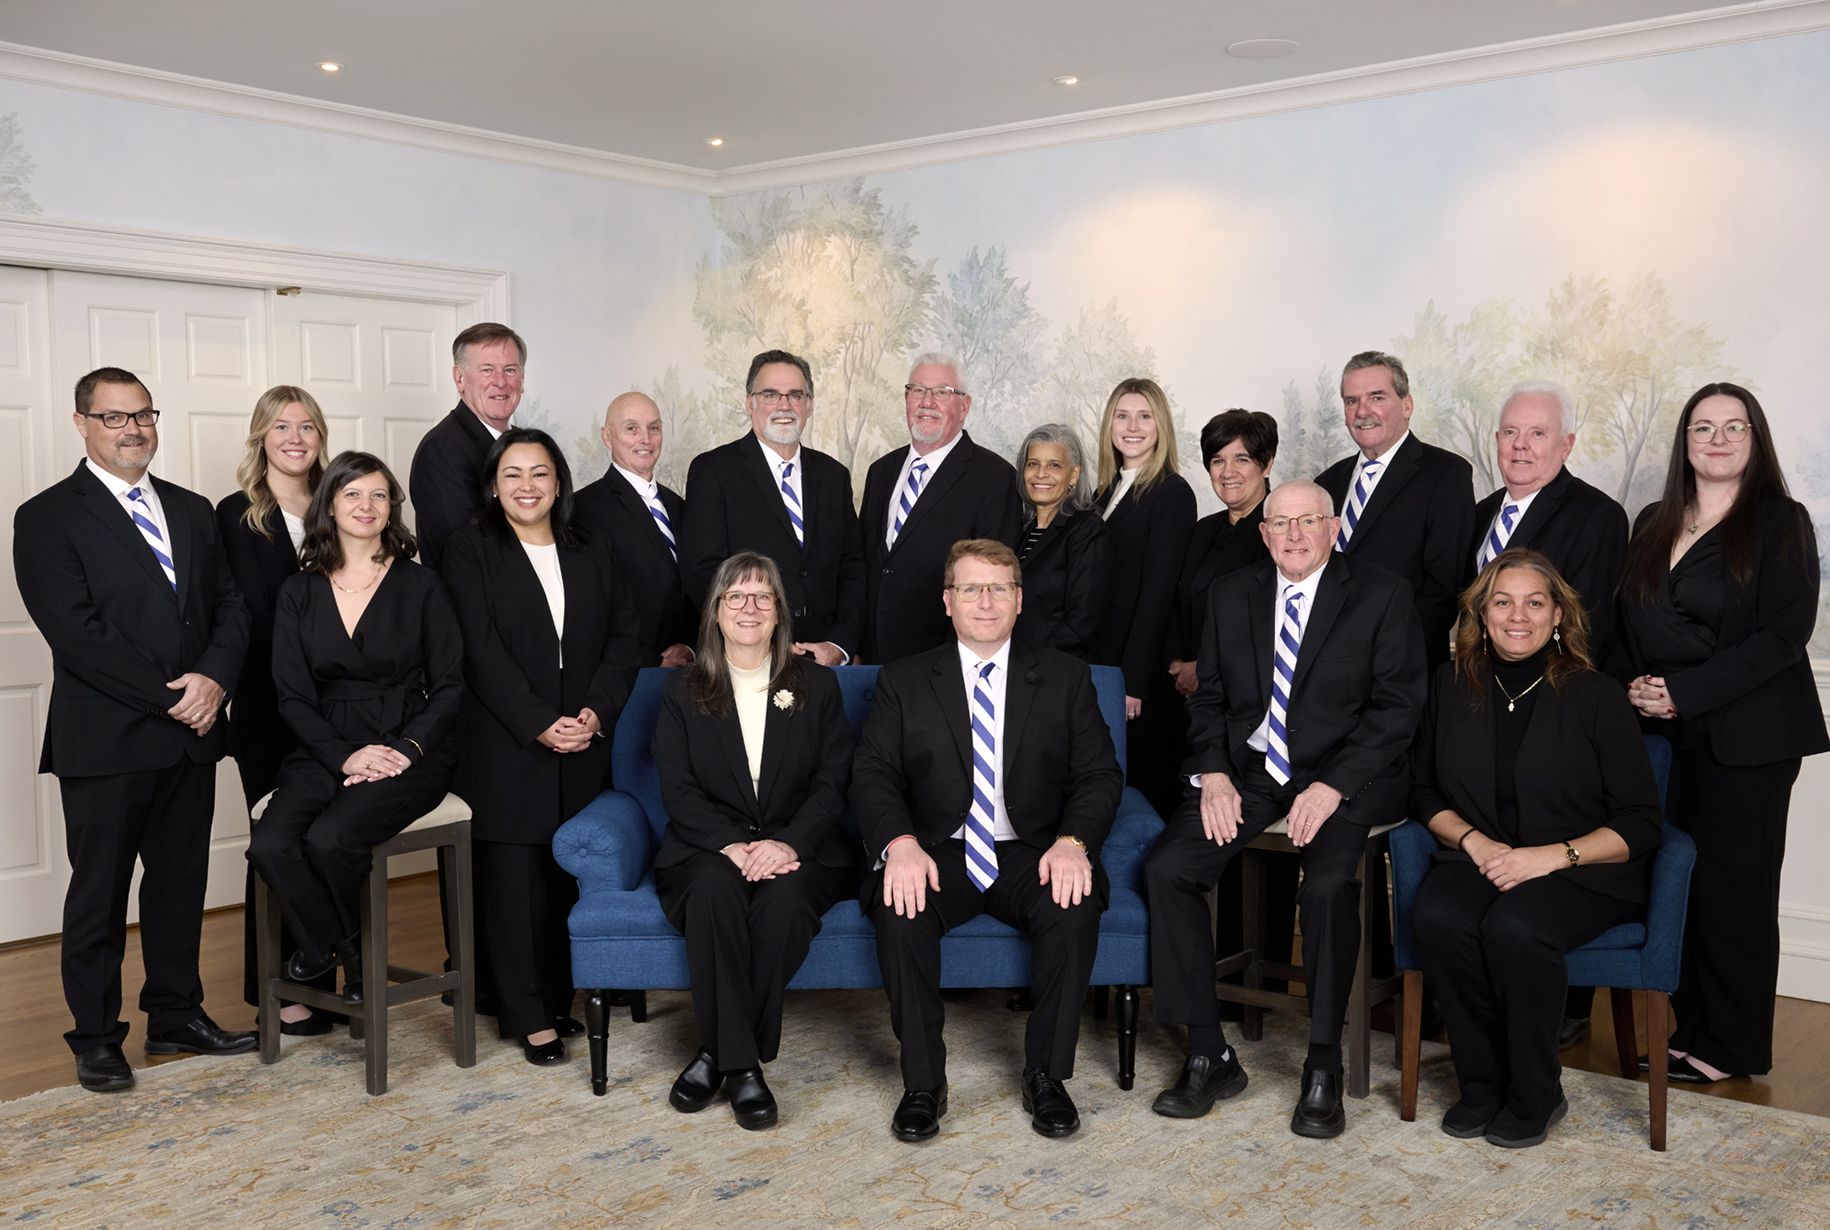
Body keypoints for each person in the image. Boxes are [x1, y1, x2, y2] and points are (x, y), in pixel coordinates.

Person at [1145, 480, 1424, 1138]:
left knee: (1326, 887)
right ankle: (1210, 1053)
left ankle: (1322, 1063)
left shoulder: (1382, 594)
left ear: (1334, 528)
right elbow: (1209, 699)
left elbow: (1397, 709)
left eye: (1309, 521)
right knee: (1168, 869)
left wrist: (1333, 787)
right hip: (1251, 772)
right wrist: (1214, 773)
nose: (1294, 534)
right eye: (1281, 523)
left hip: (1345, 774)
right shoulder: (1230, 594)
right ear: (1264, 533)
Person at [15, 367, 255, 1093]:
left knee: (179, 885)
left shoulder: (191, 509)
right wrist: (174, 698)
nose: (133, 429)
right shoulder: (47, 516)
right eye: (114, 417)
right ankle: (95, 1038)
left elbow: (231, 606)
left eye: (143, 415)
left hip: (192, 735)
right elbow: (77, 634)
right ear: (81, 423)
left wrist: (213, 681)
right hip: (108, 741)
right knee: (100, 894)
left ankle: (176, 1015)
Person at [852, 539, 1122, 1141]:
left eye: (999, 588)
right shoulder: (904, 679)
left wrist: (1074, 842)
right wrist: (899, 843)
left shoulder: (1066, 677)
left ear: (1019, 600)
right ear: (948, 601)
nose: (985, 601)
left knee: (1073, 905)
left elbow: (1100, 775)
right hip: (937, 848)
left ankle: (1047, 1076)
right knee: (900, 909)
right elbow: (872, 774)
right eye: (971, 588)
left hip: (1034, 848)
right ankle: (924, 1084)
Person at [1410, 549, 1662, 1147]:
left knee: (1516, 926)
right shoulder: (1450, 685)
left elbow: (1642, 821)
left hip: (1581, 869)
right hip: (1482, 856)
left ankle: (1536, 1092)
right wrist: (1474, 842)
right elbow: (1421, 790)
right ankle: (1481, 1085)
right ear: (1482, 615)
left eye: (1534, 602)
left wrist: (1550, 857)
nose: (1517, 616)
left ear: (1557, 616)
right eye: (1503, 602)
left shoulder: (1596, 695)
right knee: (1439, 915)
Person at [1616, 382, 1827, 1085]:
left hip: (1749, 738)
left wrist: (1685, 693)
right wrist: (1635, 687)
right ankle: (1689, 1031)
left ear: (1755, 440)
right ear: (1685, 442)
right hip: (1662, 736)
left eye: (1735, 427)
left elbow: (1782, 637)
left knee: (1733, 893)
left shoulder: (1781, 522)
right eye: (1703, 427)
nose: (1718, 439)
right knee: (1679, 884)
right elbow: (1628, 621)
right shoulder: (1653, 521)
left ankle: (1731, 1046)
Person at [442, 428, 640, 1065]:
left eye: (540, 473)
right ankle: (528, 1017)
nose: (527, 486)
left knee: (562, 879)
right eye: (513, 474)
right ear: (493, 486)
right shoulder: (470, 548)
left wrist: (596, 711)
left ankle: (556, 1001)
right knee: (514, 883)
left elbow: (624, 637)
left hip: (584, 736)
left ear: (559, 483)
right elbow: (477, 648)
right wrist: (537, 721)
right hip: (508, 742)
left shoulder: (593, 547)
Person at [248, 452, 464, 1007]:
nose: (366, 506)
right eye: (352, 494)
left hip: (409, 746)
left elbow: (449, 687)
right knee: (270, 844)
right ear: (329, 505)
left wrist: (405, 750)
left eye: (378, 495)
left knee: (330, 838)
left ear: (391, 507)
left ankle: (347, 961)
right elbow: (293, 697)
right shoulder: (299, 592)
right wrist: (344, 756)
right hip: (325, 744)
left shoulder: (424, 585)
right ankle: (343, 952)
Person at [652, 552, 858, 1130]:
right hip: (708, 847)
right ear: (716, 611)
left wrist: (788, 844)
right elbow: (677, 787)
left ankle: (715, 1054)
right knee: (713, 894)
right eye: (736, 596)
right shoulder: (682, 690)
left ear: (779, 611)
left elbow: (834, 782)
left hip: (799, 846)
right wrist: (728, 844)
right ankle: (743, 1067)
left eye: (763, 596)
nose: (750, 607)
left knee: (785, 904)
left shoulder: (817, 685)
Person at [1470, 381, 1630, 1048]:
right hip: (1487, 705)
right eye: (1510, 432)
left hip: (1561, 709)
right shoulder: (1482, 511)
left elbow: (1591, 627)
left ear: (1565, 445)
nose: (1521, 445)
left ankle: (1565, 1007)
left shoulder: (1597, 515)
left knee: (1553, 840)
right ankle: (1484, 998)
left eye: (1537, 434)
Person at [216, 385, 338, 1035]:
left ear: (321, 436)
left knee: (330, 840)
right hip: (268, 707)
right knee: (277, 843)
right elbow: (244, 614)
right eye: (281, 426)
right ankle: (279, 988)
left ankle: (327, 980)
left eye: (307, 426)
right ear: (261, 436)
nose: (295, 438)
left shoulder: (342, 503)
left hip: (343, 707)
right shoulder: (236, 515)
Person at [1163, 410, 1294, 1007]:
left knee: (1251, 855)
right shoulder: (1203, 530)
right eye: (1217, 460)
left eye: (1242, 458)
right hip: (1198, 710)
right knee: (1200, 840)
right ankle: (1206, 979)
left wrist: (1203, 668)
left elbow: (1278, 633)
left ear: (1267, 464)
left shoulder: (1281, 535)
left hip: (1258, 719)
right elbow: (1176, 602)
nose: (1228, 471)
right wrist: (1179, 661)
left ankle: (1254, 984)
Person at [678, 350, 862, 666]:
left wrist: (839, 645)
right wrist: (761, 641)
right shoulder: (713, 471)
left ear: (809, 405)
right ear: (749, 403)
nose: (784, 405)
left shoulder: (834, 476)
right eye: (770, 394)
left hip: (824, 661)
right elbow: (703, 571)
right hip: (746, 659)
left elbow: (852, 569)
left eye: (795, 395)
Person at [859, 353, 1023, 663]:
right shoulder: (881, 471)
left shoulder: (995, 478)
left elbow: (990, 583)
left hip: (941, 663)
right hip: (872, 659)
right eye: (918, 390)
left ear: (964, 406)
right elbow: (864, 565)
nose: (927, 402)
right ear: (906, 399)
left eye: (941, 392)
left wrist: (953, 666)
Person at [1317, 351, 1474, 669]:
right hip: (1326, 667)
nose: (1363, 411)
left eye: (1377, 397)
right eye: (1351, 401)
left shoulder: (1446, 474)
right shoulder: (1326, 483)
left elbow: (1445, 588)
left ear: (1407, 405)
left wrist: (1381, 651)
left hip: (1400, 668)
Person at [1090, 378, 1197, 727]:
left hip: (1135, 669)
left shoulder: (1172, 494)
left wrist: (1132, 679)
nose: (1132, 427)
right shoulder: (1104, 492)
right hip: (1100, 653)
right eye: (1122, 416)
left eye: (1145, 416)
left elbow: (1158, 594)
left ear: (1160, 425)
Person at [573, 391, 694, 667]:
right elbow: (587, 605)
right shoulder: (582, 509)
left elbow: (695, 583)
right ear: (607, 436)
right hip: (628, 672)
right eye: (631, 428)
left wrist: (690, 646)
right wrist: (652, 660)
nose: (645, 439)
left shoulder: (679, 505)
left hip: (688, 668)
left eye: (654, 428)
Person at [409, 323, 527, 571]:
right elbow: (467, 548)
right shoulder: (442, 449)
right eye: (487, 370)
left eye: (509, 370)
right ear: (459, 378)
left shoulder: (526, 446)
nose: (500, 382)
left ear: (522, 378)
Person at [1011, 423, 1109, 659]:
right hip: (1012, 663)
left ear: (1073, 475)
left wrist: (1032, 661)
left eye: (1054, 465)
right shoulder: (1020, 529)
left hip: (1052, 668)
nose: (1040, 474)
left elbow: (1081, 622)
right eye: (1033, 464)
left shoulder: (1087, 530)